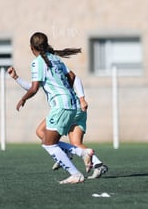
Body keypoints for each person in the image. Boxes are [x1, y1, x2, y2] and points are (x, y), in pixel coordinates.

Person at [14, 32, 94, 184]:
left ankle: (76, 173)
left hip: (61, 106)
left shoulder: (37, 62)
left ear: (31, 48)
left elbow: (34, 88)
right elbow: (72, 77)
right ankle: (82, 152)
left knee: (48, 144)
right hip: (71, 103)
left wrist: (23, 99)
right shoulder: (55, 59)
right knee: (46, 137)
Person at [8, 66, 109, 179]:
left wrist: (82, 99)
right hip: (77, 108)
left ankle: (66, 153)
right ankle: (98, 164)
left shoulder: (49, 65)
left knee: (41, 132)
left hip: (65, 108)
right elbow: (32, 87)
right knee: (75, 144)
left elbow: (74, 78)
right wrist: (16, 77)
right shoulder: (52, 66)